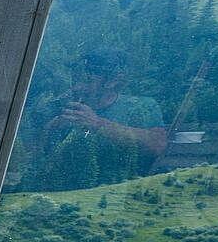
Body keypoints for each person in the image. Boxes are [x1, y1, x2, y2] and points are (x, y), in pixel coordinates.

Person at [48, 45, 168, 186]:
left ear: (115, 81)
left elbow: (157, 145)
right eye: (75, 79)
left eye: (88, 80)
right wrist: (50, 130)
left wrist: (97, 123)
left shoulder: (141, 106)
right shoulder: (61, 105)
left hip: (119, 196)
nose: (76, 87)